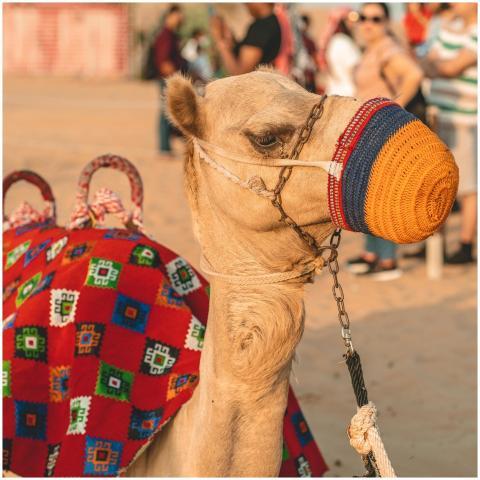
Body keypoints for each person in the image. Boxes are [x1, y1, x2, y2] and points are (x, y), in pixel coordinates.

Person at [346, 3, 424, 281]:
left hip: (380, 131)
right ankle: (372, 253)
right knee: (365, 192)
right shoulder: (372, 49)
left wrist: (392, 109)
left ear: (386, 21)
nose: (368, 23)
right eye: (363, 18)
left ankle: (389, 260)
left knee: (378, 195)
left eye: (375, 19)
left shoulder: (388, 48)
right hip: (367, 131)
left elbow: (413, 74)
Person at [420, 2, 477, 264]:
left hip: (465, 120)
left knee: (466, 187)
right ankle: (435, 243)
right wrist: (434, 64)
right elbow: (429, 59)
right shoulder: (449, 28)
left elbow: (449, 67)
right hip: (440, 117)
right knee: (438, 181)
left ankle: (466, 244)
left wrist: (433, 66)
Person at [210, 3, 282, 75]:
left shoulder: (262, 27)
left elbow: (241, 74)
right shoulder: (270, 23)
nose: (245, 5)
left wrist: (220, 42)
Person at [154, 5, 187, 155]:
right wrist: (176, 80)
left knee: (170, 112)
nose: (181, 19)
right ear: (171, 16)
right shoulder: (165, 36)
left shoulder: (173, 35)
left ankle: (166, 145)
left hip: (171, 79)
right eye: (179, 16)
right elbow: (164, 63)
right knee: (166, 112)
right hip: (168, 80)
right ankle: (164, 147)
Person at [318, 7, 361, 97]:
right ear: (342, 22)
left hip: (335, 93)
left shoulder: (335, 41)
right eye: (350, 19)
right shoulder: (343, 42)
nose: (353, 23)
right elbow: (354, 71)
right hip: (348, 95)